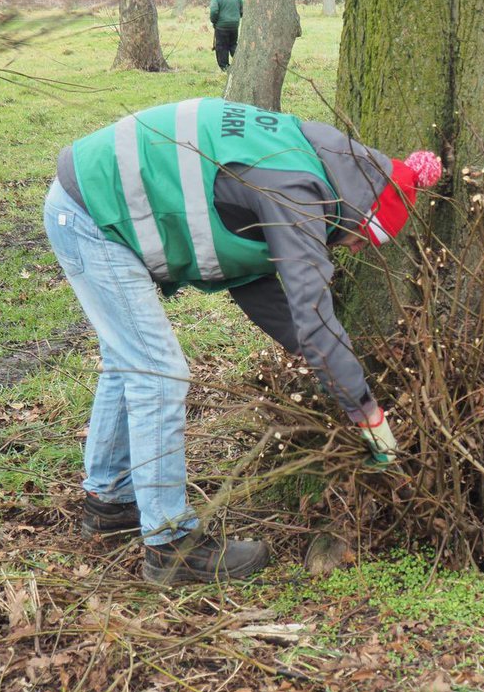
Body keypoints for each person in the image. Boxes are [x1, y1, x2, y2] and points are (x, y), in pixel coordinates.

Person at [44, 99, 442, 584]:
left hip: (89, 198)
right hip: (93, 216)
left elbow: (258, 282)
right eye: (365, 238)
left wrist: (326, 364)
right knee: (158, 371)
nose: (356, 248)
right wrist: (364, 409)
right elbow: (313, 314)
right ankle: (171, 546)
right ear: (363, 213)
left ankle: (109, 500)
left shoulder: (305, 161)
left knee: (132, 360)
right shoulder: (296, 193)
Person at [209, 0, 243, 70]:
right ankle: (241, 63)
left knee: (221, 46)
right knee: (233, 45)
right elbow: (242, 8)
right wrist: (237, 17)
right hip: (234, 25)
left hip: (221, 26)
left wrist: (214, 21)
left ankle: (224, 67)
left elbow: (213, 11)